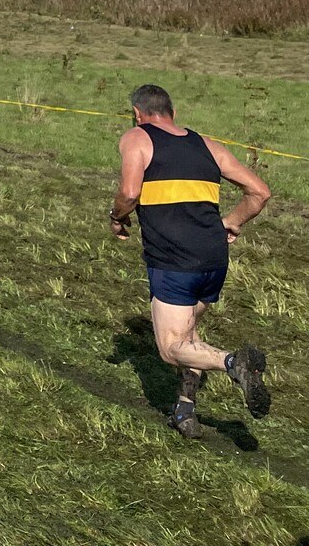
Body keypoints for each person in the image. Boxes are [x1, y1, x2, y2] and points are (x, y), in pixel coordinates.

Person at [109, 84, 272, 437]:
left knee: (171, 348)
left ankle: (232, 362)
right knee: (190, 334)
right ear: (173, 113)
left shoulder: (137, 137)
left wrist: (117, 217)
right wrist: (232, 222)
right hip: (214, 258)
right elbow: (260, 192)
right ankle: (185, 411)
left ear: (138, 114)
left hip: (173, 260)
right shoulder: (207, 145)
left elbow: (129, 192)